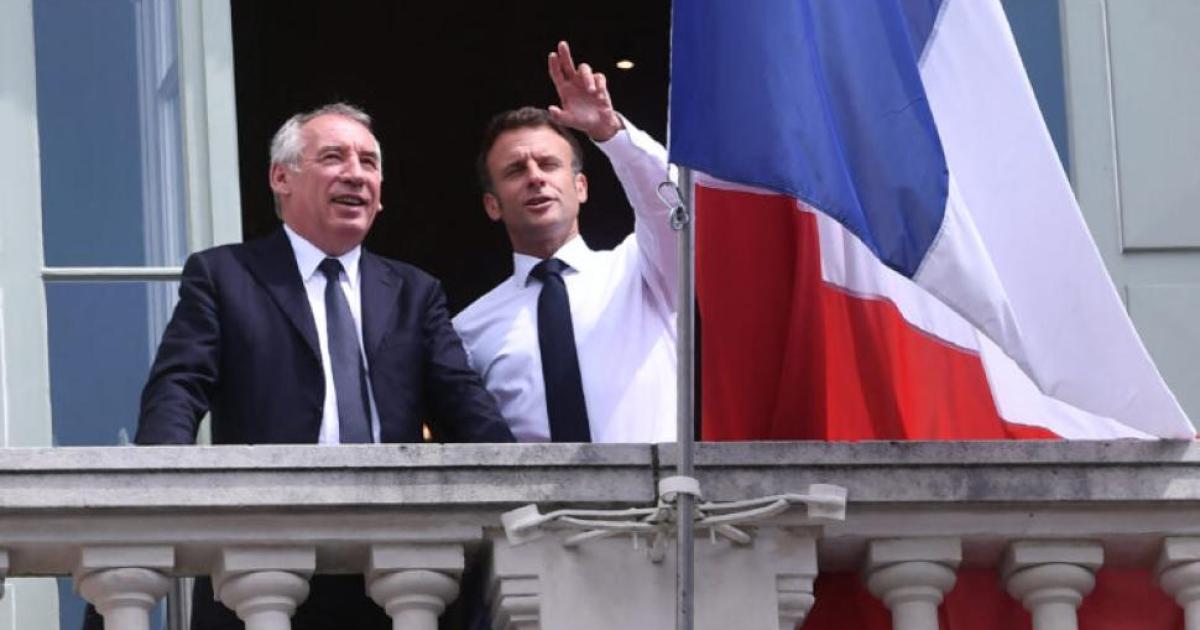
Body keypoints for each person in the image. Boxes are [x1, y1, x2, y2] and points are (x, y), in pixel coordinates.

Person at [123, 103, 514, 630]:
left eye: (369, 163)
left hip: (395, 578)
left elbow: (467, 411)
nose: (356, 173)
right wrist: (154, 488)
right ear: (281, 178)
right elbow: (178, 389)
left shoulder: (415, 292)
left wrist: (527, 490)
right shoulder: (224, 276)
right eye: (333, 157)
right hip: (260, 564)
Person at [454, 42, 677, 443]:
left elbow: (674, 209)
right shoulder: (468, 330)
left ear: (581, 187)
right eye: (515, 170)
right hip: (533, 489)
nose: (535, 177)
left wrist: (610, 133)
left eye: (549, 164)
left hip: (659, 485)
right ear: (492, 205)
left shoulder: (642, 270)